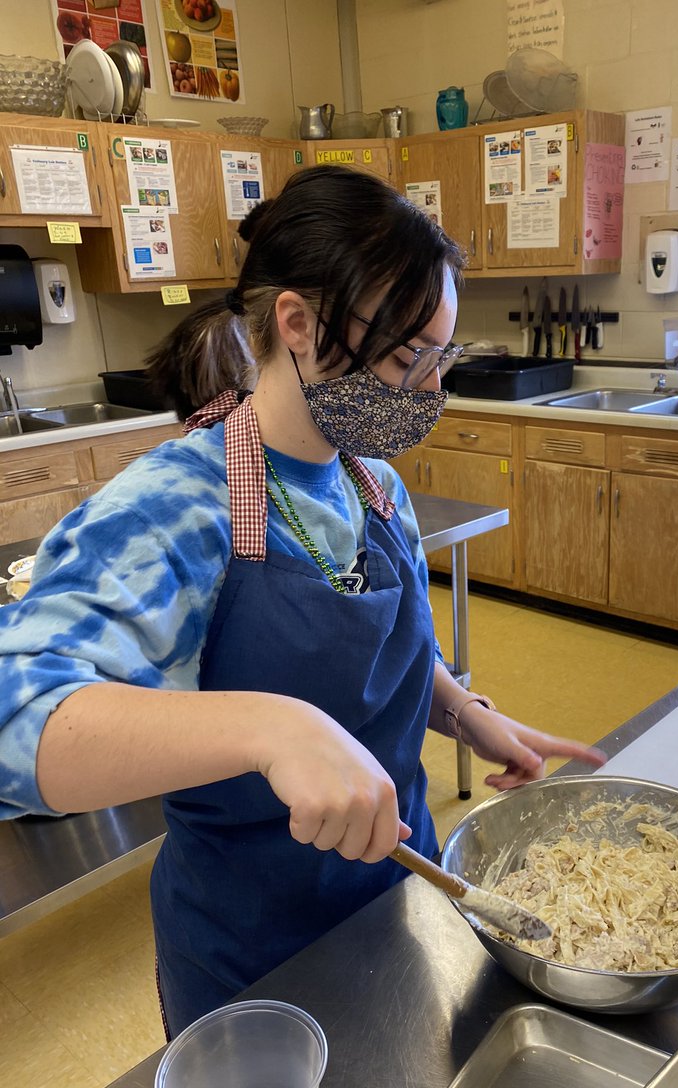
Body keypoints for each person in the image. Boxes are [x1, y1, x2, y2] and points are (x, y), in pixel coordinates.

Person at [0, 166, 604, 1037]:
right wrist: (274, 728)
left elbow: (378, 645)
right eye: (407, 358)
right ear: (297, 324)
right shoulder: (176, 507)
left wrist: (467, 714)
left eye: (441, 357)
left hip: (403, 894)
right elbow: (17, 716)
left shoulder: (372, 484)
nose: (431, 390)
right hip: (253, 953)